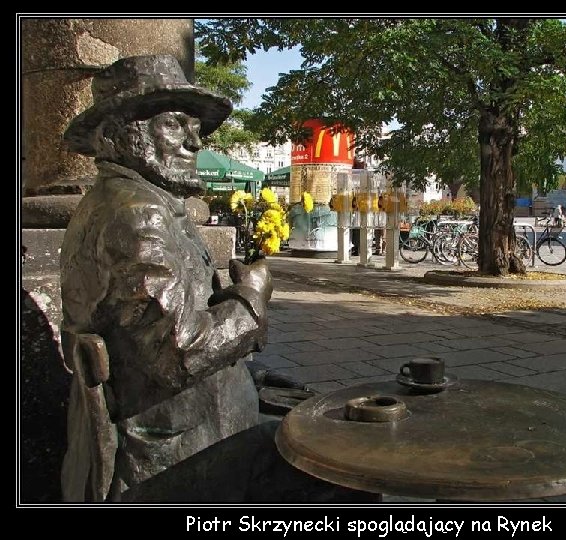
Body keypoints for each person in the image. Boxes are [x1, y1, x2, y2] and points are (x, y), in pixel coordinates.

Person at [60, 56, 368, 503]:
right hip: (176, 458)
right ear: (115, 136)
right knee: (345, 471)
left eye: (194, 127)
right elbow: (179, 353)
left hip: (197, 429)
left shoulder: (143, 203)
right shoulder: (135, 213)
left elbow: (158, 330)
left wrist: (254, 375)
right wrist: (250, 299)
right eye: (172, 125)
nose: (194, 141)